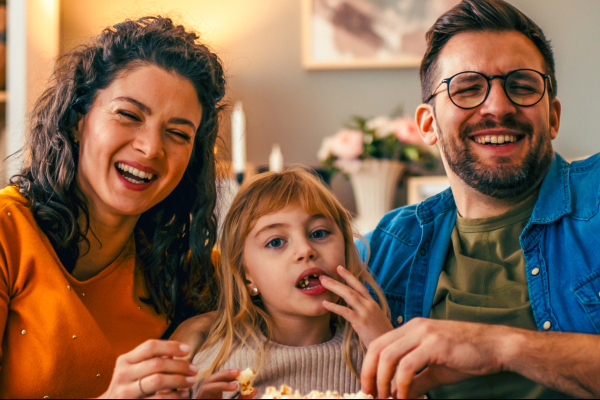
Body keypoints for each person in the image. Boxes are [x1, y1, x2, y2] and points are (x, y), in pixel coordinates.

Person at [358, 0, 600, 398]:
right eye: (468, 89)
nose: (498, 107)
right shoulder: (388, 246)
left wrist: (501, 346)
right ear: (428, 125)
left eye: (522, 86)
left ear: (553, 117)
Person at [0, 16, 225, 398]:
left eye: (177, 134)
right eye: (129, 115)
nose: (151, 148)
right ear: (76, 119)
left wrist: (203, 327)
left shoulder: (185, 264)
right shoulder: (8, 233)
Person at [192, 168, 393, 398]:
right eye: (276, 242)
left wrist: (387, 349)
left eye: (319, 234)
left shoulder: (374, 351)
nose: (305, 250)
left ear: (347, 249)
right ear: (246, 274)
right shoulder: (218, 364)